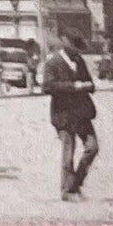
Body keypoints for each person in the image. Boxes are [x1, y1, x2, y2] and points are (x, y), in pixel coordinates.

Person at [44, 26, 98, 202]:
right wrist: (74, 86)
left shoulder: (79, 61)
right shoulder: (53, 62)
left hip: (82, 113)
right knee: (68, 154)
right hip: (64, 114)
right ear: (66, 44)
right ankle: (67, 191)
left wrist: (87, 85)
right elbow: (47, 86)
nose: (77, 51)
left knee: (92, 147)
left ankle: (75, 184)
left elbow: (90, 83)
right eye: (75, 47)